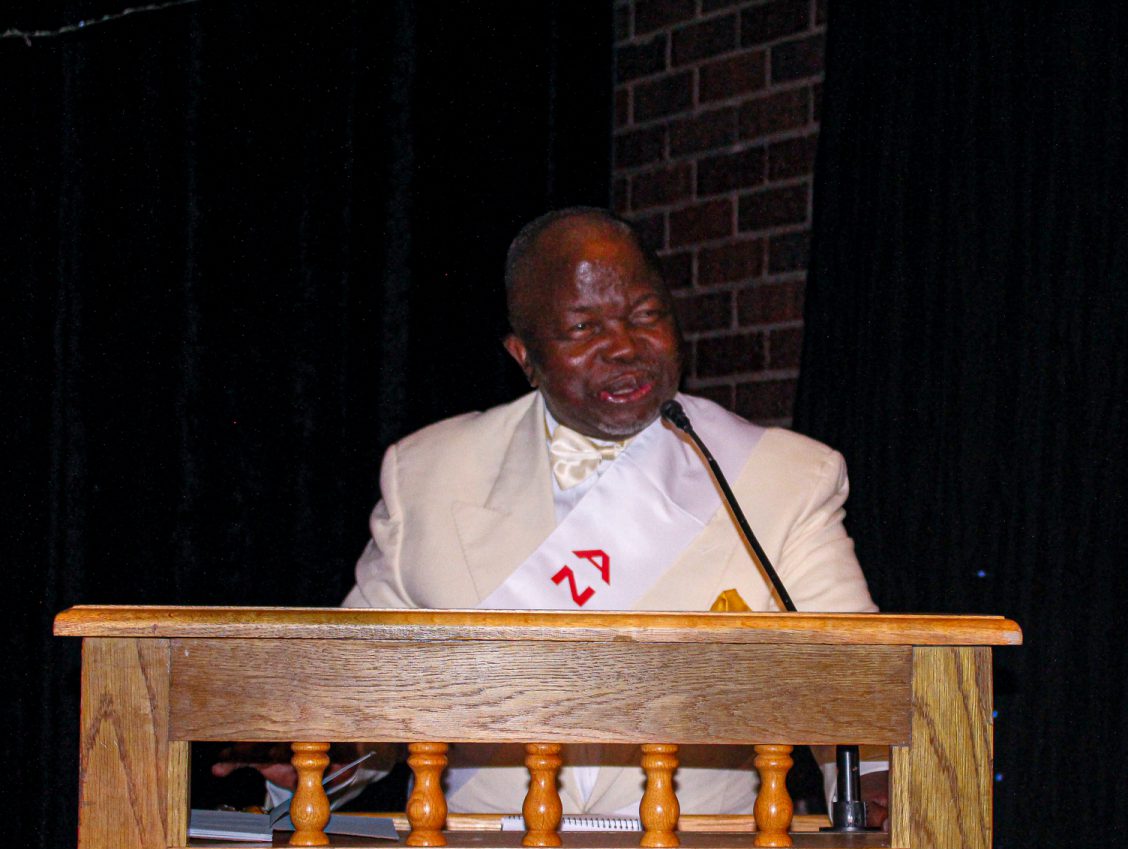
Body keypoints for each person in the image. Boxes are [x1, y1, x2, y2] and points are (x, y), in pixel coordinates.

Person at [222, 207, 881, 818]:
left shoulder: (782, 478)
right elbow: (362, 692)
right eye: (584, 328)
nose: (624, 346)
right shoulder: (429, 474)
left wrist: (880, 788)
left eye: (646, 314)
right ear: (525, 358)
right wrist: (313, 751)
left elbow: (858, 692)